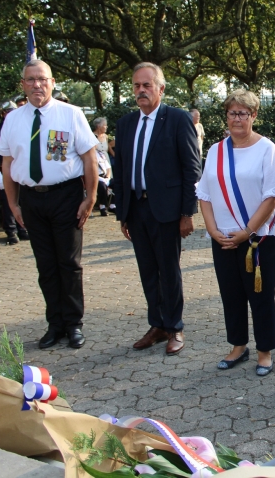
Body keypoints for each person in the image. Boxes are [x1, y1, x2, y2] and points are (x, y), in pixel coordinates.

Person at [0, 59, 99, 349]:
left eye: (42, 79)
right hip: (31, 199)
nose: (37, 85)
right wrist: (14, 204)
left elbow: (90, 159)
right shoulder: (13, 120)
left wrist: (90, 198)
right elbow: (7, 165)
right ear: (23, 85)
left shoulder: (71, 114)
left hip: (65, 196)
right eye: (30, 80)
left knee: (69, 263)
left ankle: (74, 324)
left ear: (52, 82)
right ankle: (55, 324)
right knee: (46, 266)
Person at [198, 89, 275, 376]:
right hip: (222, 237)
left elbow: (273, 195)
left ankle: (265, 351)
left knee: (260, 295)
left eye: (243, 113)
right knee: (231, 294)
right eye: (232, 112)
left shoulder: (266, 149)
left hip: (257, 237)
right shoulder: (216, 150)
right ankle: (238, 346)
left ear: (254, 115)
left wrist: (247, 230)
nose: (236, 118)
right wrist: (212, 230)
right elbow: (204, 194)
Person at [112, 62, 202, 356]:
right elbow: (121, 170)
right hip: (136, 209)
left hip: (166, 210)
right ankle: (157, 324)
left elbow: (191, 168)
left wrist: (187, 213)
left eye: (147, 85)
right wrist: (122, 213)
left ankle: (174, 325)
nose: (141, 91)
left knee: (169, 270)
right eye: (136, 86)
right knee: (148, 270)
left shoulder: (176, 119)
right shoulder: (126, 124)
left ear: (160, 89)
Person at [0, 100, 30, 244]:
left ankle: (23, 229)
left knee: (22, 200)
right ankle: (11, 231)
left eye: (12, 111)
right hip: (5, 170)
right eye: (7, 112)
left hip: (19, 169)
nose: (10, 114)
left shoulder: (21, 128)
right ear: (2, 114)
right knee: (8, 202)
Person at [92, 117, 115, 216]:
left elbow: (109, 148)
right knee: (102, 185)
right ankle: (102, 206)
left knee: (113, 182)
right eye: (105, 125)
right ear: (98, 126)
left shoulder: (105, 136)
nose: (106, 127)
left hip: (106, 162)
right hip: (96, 162)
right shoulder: (91, 136)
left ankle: (112, 205)